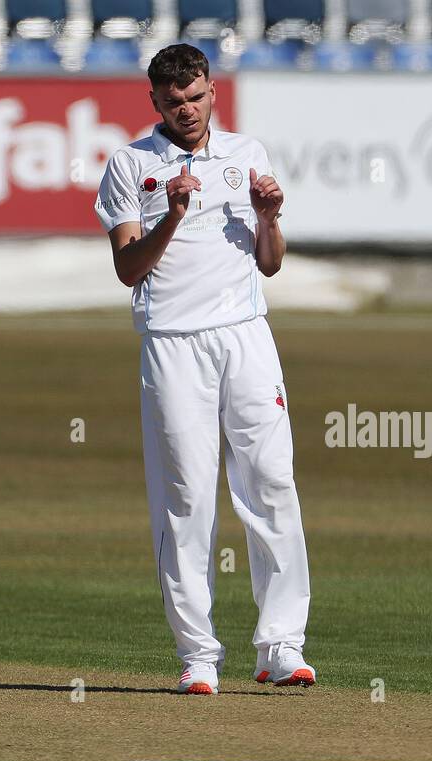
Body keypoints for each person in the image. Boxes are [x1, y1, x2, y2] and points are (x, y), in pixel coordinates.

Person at [93, 44, 315, 695]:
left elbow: (269, 262)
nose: (187, 110)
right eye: (173, 101)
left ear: (211, 92)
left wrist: (270, 216)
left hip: (245, 336)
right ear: (156, 102)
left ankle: (282, 645)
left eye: (196, 97)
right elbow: (129, 269)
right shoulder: (132, 164)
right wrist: (176, 215)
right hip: (171, 343)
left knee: (271, 480)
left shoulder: (246, 155)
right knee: (187, 496)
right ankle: (197, 655)